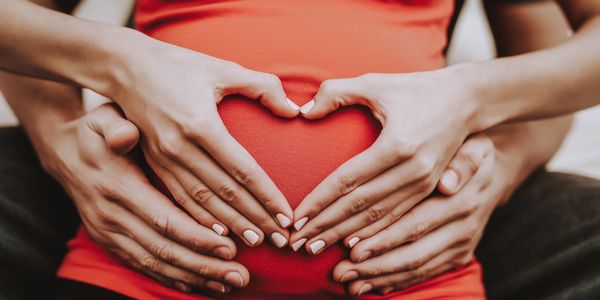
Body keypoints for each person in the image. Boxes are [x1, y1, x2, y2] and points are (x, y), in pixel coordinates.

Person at [0, 0, 598, 299]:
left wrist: (477, 113)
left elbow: (556, 69)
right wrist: (110, 69)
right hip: (138, 258)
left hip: (412, 268)